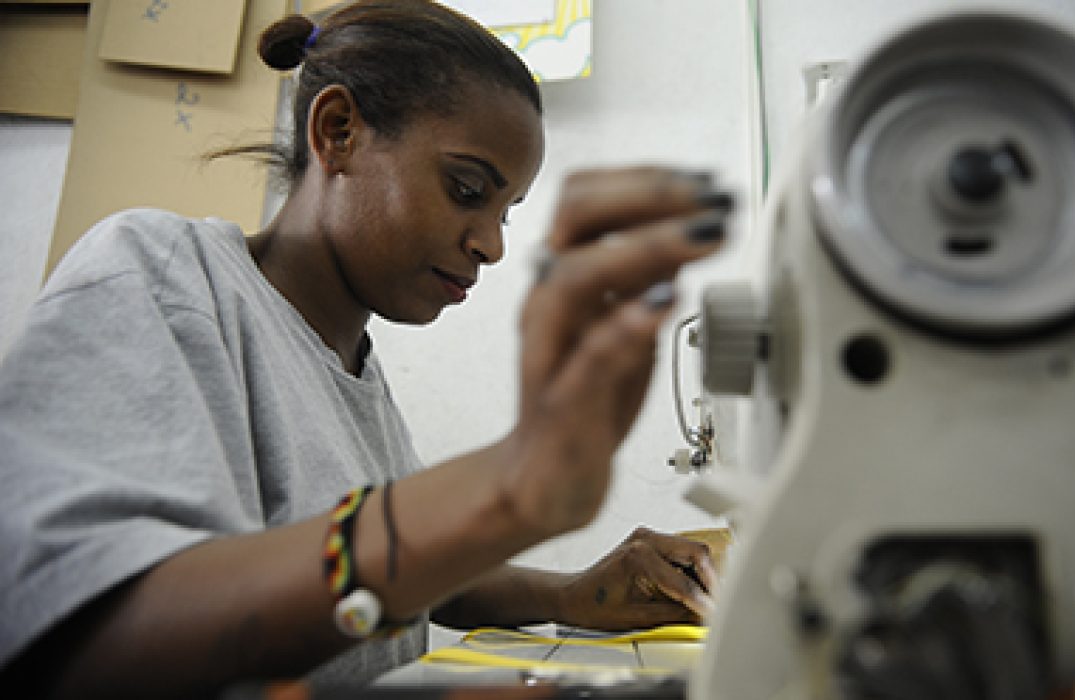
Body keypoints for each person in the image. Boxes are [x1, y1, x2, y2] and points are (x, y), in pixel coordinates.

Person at [0, 1, 731, 696]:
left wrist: (570, 593)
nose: (492, 244)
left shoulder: (358, 371)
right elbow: (86, 635)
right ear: (338, 131)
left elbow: (414, 564)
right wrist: (492, 494)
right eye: (466, 188)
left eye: (505, 212)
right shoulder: (162, 272)